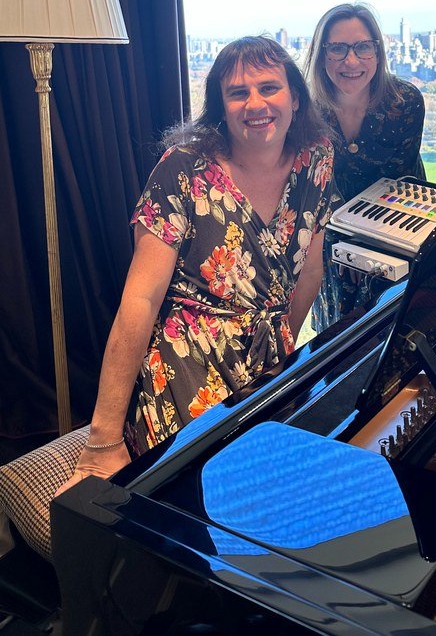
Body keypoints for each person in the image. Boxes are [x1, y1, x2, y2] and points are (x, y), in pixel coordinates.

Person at [57, 37, 334, 491]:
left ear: (296, 98)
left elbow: (311, 272)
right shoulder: (183, 169)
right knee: (206, 498)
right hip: (187, 364)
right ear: (219, 106)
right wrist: (102, 442)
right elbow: (141, 300)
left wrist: (280, 347)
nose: (256, 104)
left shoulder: (316, 157)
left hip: (271, 360)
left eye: (269, 88)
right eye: (238, 92)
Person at [304, 3, 425, 329]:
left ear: (378, 50)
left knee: (401, 332)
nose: (351, 60)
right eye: (338, 49)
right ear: (321, 54)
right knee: (338, 340)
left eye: (363, 47)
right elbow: (316, 189)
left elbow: (402, 180)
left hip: (397, 229)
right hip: (333, 241)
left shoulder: (405, 102)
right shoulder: (305, 111)